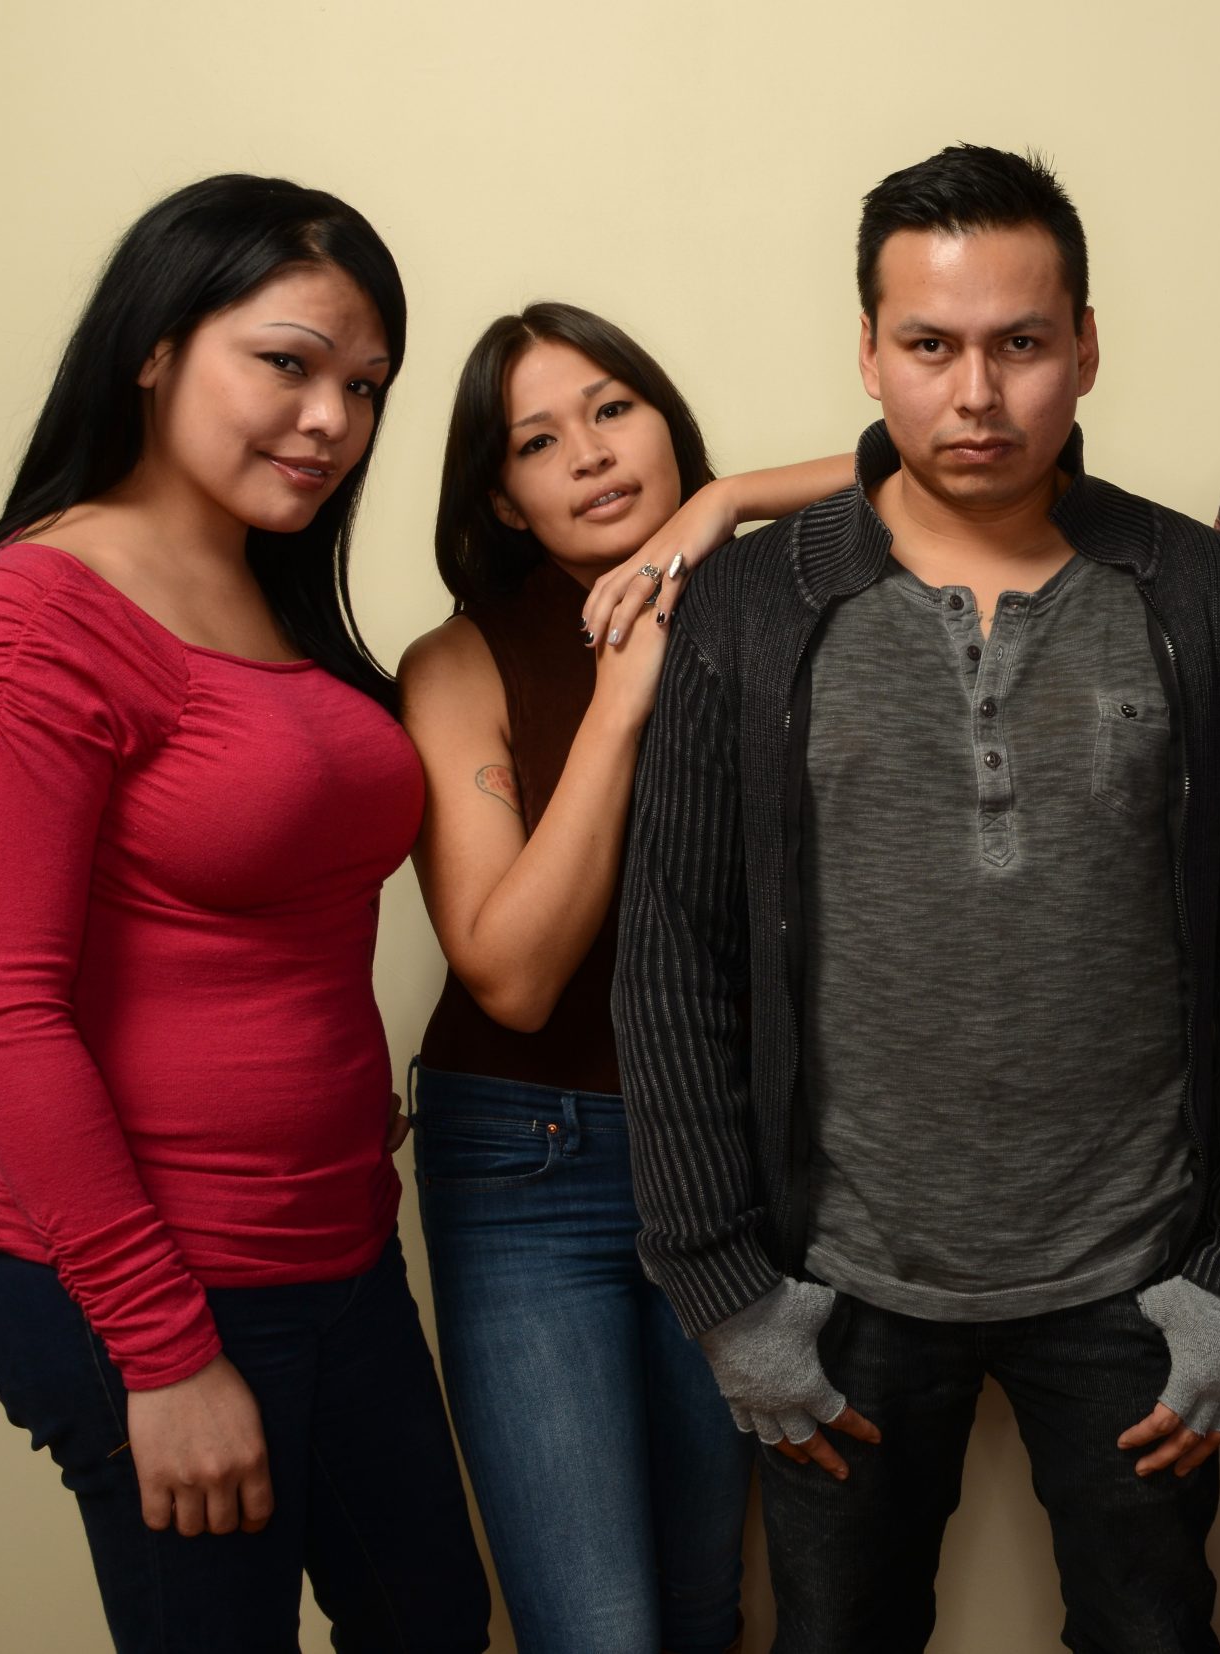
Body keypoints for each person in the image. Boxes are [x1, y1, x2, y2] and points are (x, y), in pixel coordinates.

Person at [614, 143, 1220, 1654]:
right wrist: (728, 1291)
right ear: (869, 354)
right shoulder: (754, 606)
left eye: (1021, 343)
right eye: (930, 346)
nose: (977, 394)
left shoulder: (1199, 596)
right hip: (840, 1278)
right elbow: (672, 952)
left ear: (1087, 345)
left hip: (1137, 1273)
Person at [0, 174, 490, 1652]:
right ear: (156, 348)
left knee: (432, 1620)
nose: (331, 420)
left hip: (334, 1249)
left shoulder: (262, 590)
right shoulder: (38, 613)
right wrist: (162, 1354)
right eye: (288, 363)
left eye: (366, 386)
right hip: (154, 1283)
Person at [398, 300, 850, 1654]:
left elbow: (963, 460)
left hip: (726, 1154)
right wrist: (620, 699)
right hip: (527, 1159)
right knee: (596, 1629)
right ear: (503, 496)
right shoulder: (457, 661)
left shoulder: (771, 597)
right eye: (538, 440)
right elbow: (513, 976)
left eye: (613, 409)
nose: (590, 454)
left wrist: (725, 504)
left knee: (706, 1604)